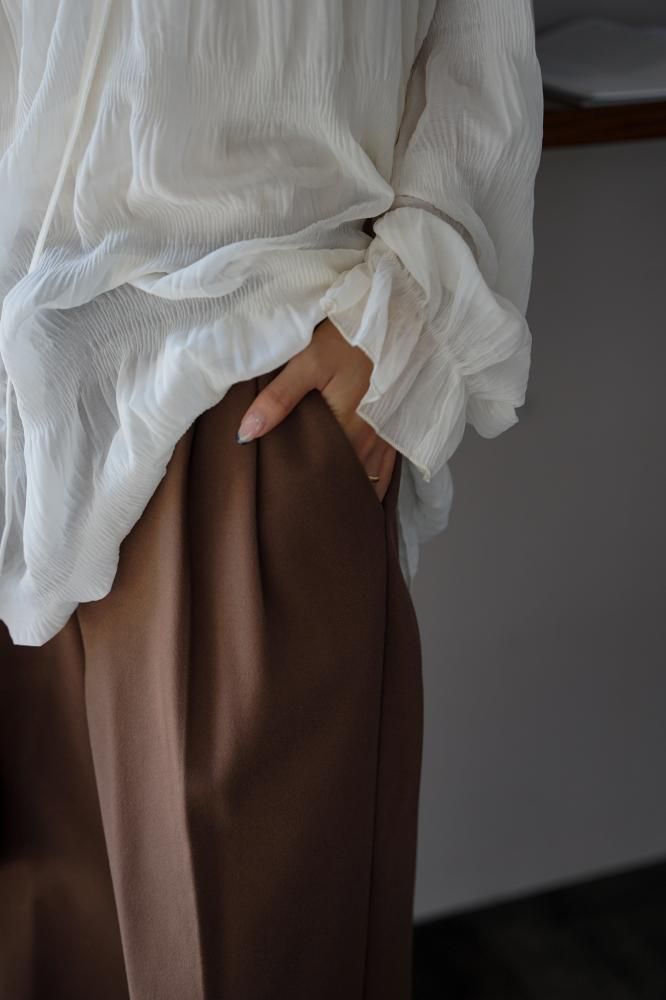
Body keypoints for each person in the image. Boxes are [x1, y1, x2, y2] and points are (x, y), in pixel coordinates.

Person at [0, 1, 543, 997]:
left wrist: (401, 324)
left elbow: (477, 47)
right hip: (18, 414)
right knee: (36, 946)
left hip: (246, 398)